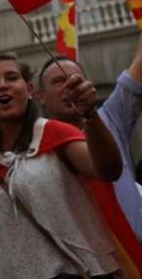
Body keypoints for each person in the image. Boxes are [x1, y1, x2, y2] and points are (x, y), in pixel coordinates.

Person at [0, 54, 142, 279]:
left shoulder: (55, 133)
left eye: (11, 77)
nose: (3, 85)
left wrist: (90, 115)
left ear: (29, 89)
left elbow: (108, 170)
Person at [37, 41, 142, 241]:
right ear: (40, 96)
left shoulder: (111, 118)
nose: (70, 86)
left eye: (76, 79)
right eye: (58, 81)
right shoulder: (35, 149)